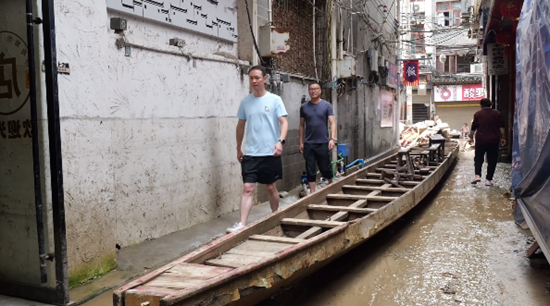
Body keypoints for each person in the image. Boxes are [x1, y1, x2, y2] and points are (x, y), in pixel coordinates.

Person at [228, 66, 289, 233]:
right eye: (251, 78)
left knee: (271, 187)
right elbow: (240, 126)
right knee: (248, 188)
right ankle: (242, 224)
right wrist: (238, 147)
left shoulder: (275, 100)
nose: (254, 81)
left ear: (265, 79)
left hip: (270, 152)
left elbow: (284, 122)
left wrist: (280, 142)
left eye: (257, 78)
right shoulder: (245, 102)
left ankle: (275, 214)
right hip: (251, 153)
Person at [299, 82, 337, 193]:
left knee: (325, 167)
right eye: (311, 89)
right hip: (309, 143)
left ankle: (331, 186)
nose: (313, 91)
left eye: (315, 89)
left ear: (320, 91)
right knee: (310, 168)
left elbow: (332, 123)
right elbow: (301, 125)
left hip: (323, 142)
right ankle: (312, 192)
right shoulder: (304, 107)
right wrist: (301, 142)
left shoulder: (326, 105)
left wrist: (332, 139)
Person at [469, 98, 505, 186]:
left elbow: (473, 128)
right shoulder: (497, 113)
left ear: (481, 105)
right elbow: (502, 126)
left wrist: (471, 137)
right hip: (494, 139)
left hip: (481, 140)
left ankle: (477, 175)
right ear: (491, 104)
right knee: (492, 159)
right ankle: (488, 180)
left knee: (478, 158)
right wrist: (503, 137)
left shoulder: (477, 114)